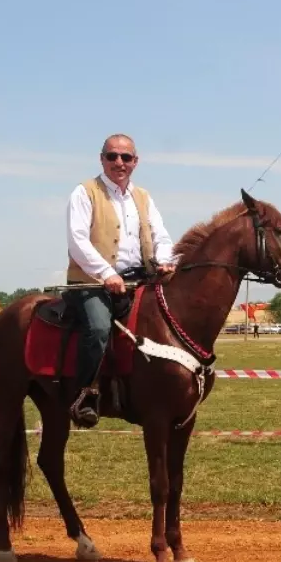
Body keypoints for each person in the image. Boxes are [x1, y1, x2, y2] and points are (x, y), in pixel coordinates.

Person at [64, 134, 176, 427]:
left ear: (135, 162)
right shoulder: (84, 192)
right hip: (91, 283)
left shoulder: (143, 197)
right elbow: (77, 241)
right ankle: (85, 395)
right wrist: (106, 274)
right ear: (101, 159)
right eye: (112, 156)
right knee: (100, 327)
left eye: (126, 157)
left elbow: (160, 235)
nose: (119, 162)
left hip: (138, 280)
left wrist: (164, 259)